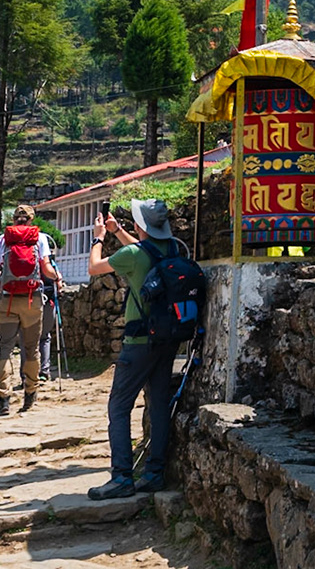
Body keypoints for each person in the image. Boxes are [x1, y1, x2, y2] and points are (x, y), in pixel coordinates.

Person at [86, 199, 184, 499]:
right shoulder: (173, 249)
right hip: (168, 339)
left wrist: (99, 238)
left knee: (119, 406)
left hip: (139, 342)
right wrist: (118, 231)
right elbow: (146, 251)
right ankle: (154, 473)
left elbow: (94, 268)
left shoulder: (132, 255)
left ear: (140, 226)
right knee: (159, 405)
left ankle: (121, 478)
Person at [0, 204, 60, 415]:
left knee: (5, 347)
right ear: (31, 219)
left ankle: (4, 399)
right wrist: (57, 277)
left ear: (14, 219)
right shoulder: (40, 239)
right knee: (31, 348)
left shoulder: (2, 240)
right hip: (32, 299)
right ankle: (30, 394)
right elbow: (46, 268)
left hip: (8, 300)